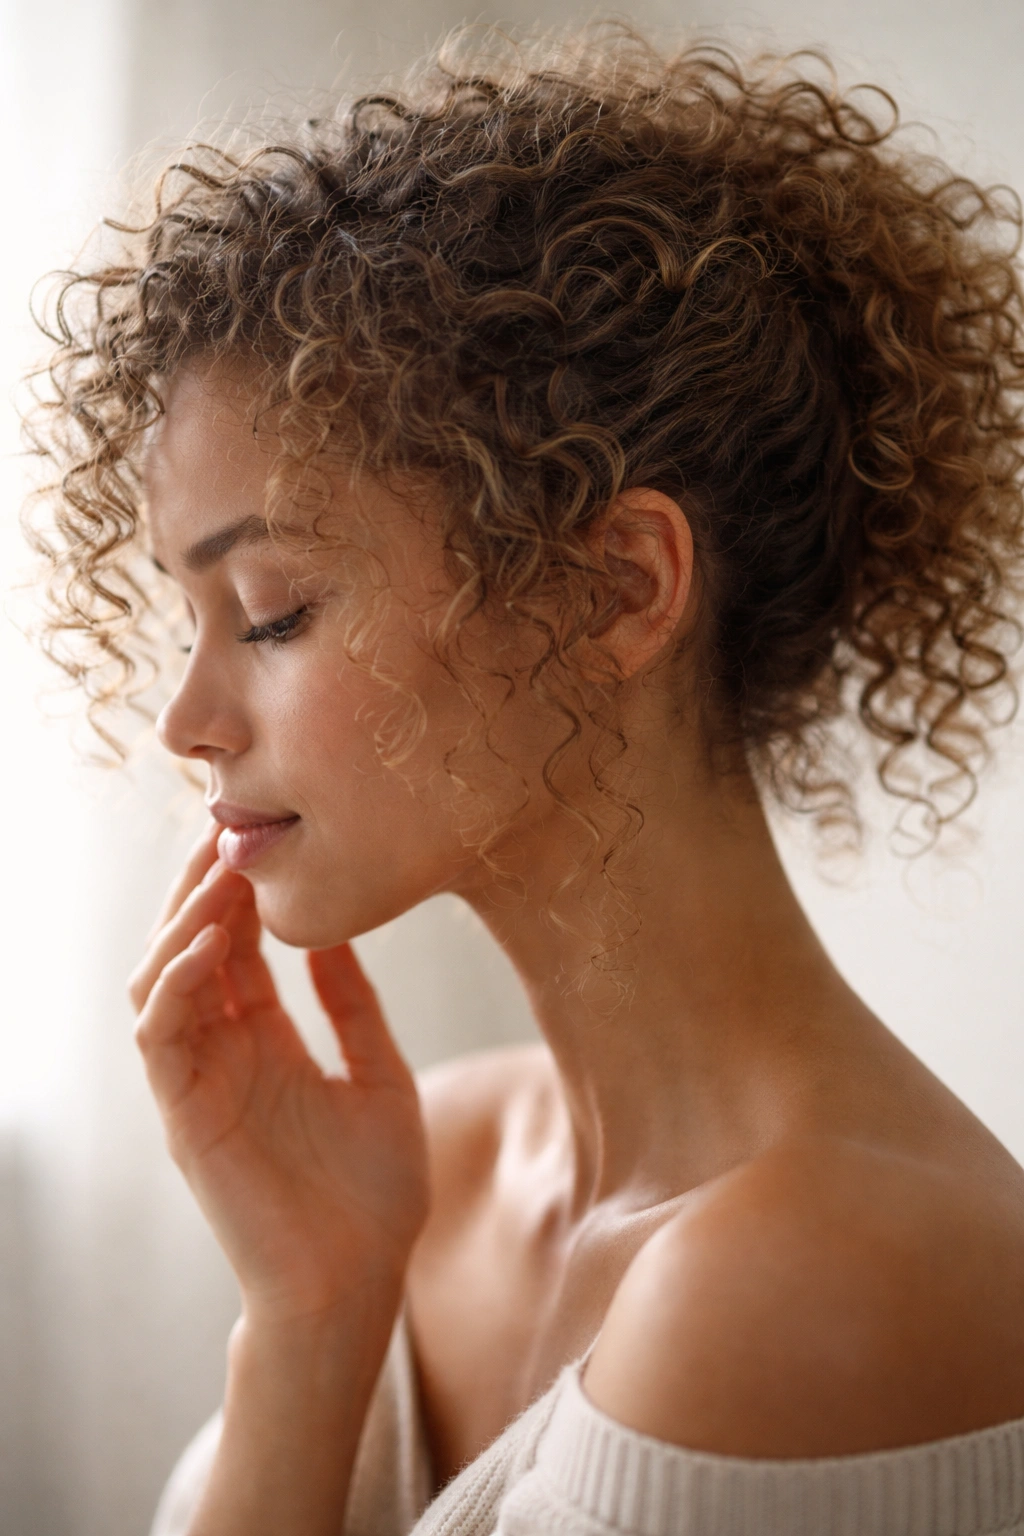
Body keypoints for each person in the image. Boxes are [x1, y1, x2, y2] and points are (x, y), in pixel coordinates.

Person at [27, 27, 1024, 1536]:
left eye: (278, 609)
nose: (187, 717)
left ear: (617, 586)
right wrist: (310, 1315)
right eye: (191, 621)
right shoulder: (430, 1171)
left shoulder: (815, 1277)